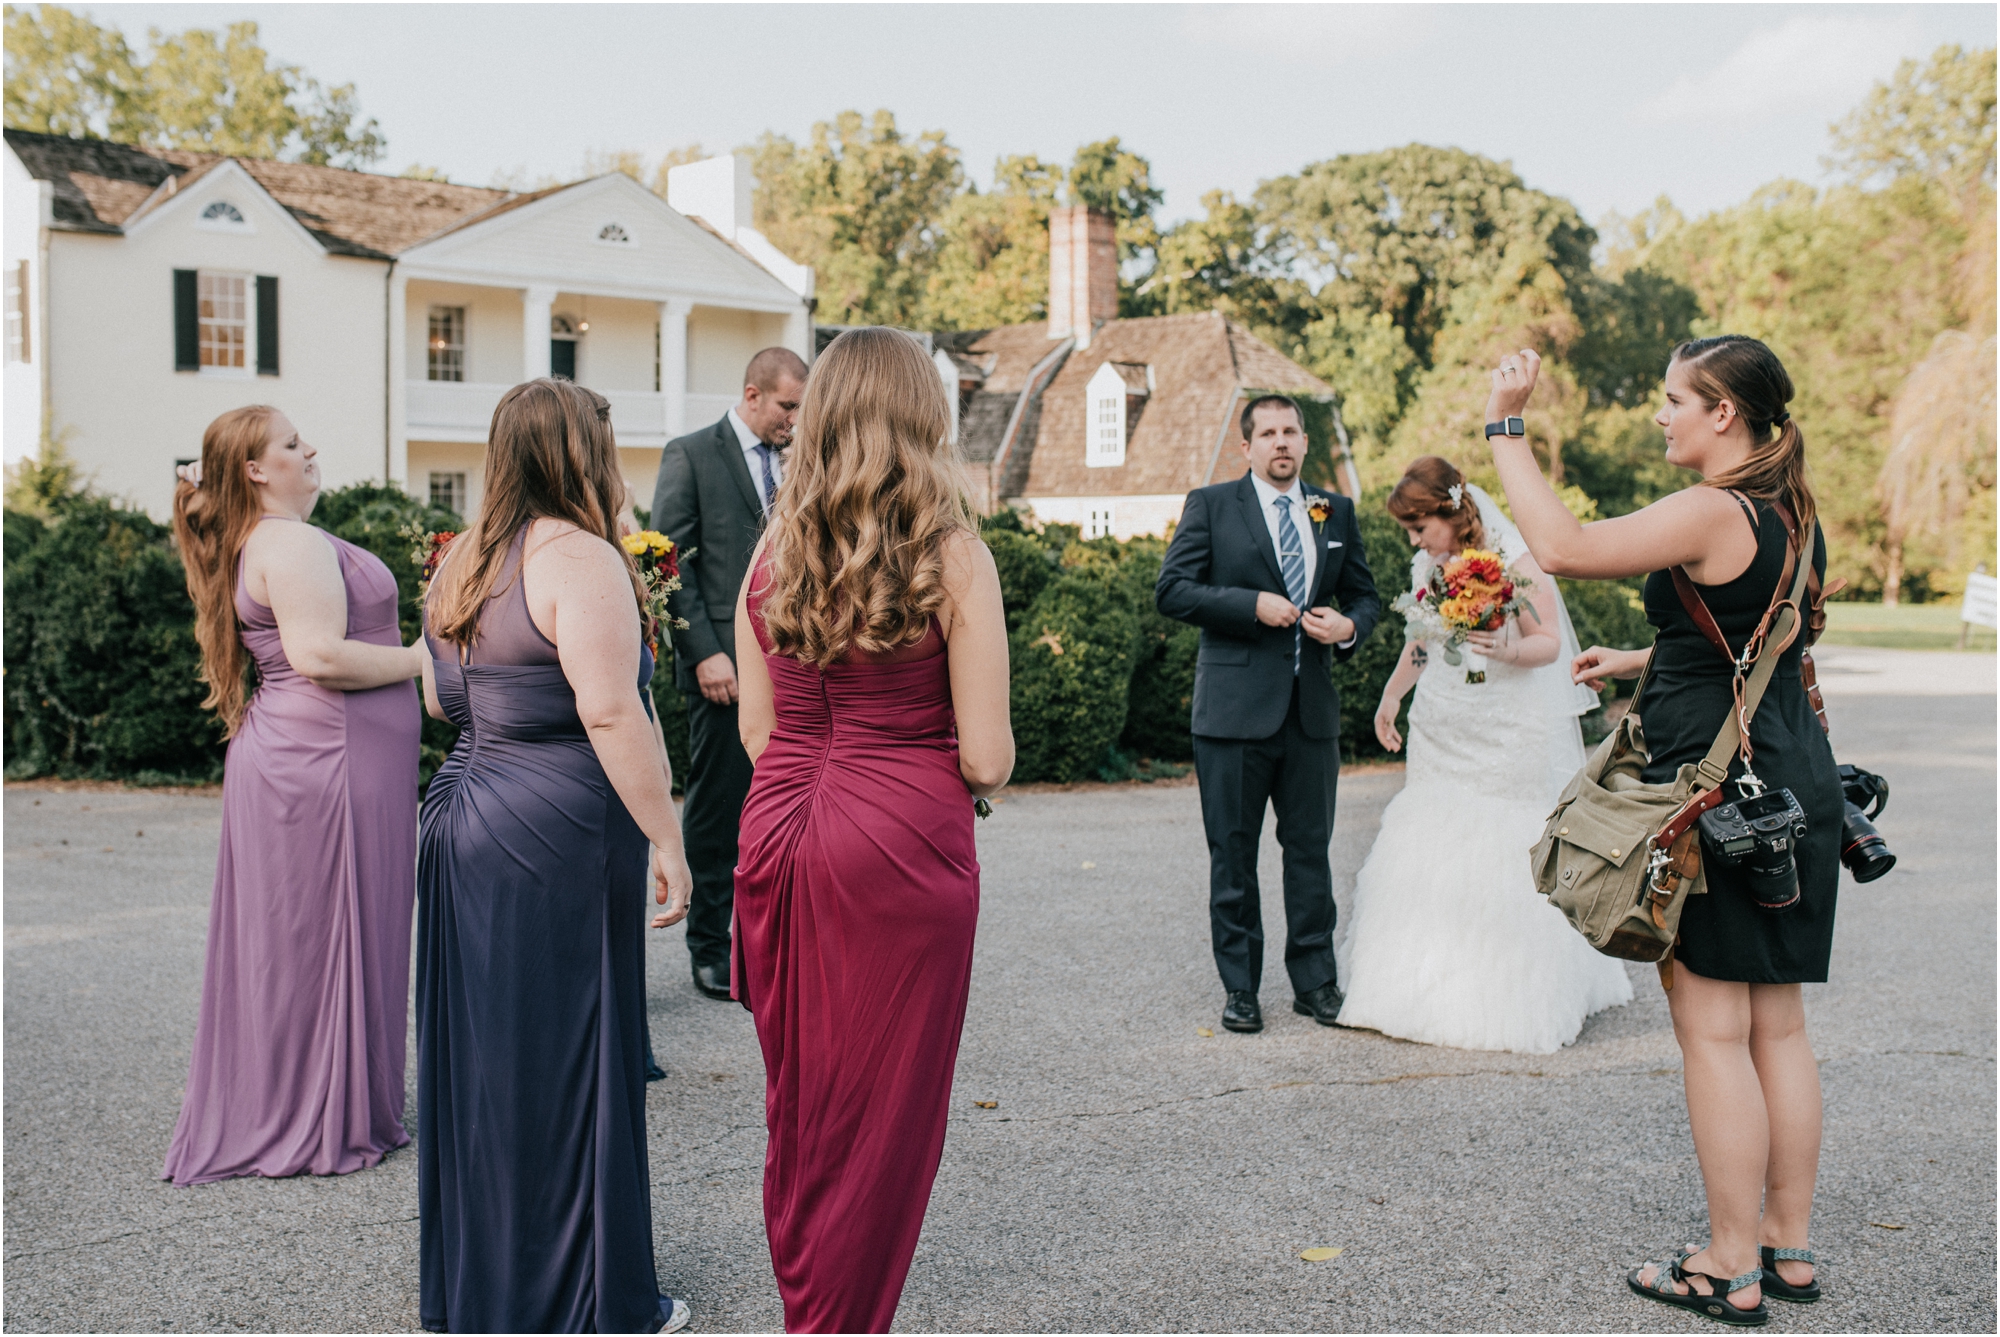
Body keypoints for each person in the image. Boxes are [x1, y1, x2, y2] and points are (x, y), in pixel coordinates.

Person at [1483, 339, 1838, 1325]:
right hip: (1788, 783)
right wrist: (1649, 653)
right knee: (1777, 1025)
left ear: (1722, 413)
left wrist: (1504, 425)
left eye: (1673, 397)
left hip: (1714, 798)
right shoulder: (1788, 515)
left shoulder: (1710, 506)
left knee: (1712, 1032)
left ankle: (1725, 1261)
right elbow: (1759, 631)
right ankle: (1785, 1243)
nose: (1660, 413)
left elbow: (1559, 547)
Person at [731, 328, 1011, 1332]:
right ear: (921, 413)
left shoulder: (771, 551)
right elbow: (984, 755)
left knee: (802, 1101)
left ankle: (809, 1298)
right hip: (898, 839)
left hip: (778, 833)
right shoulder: (950, 554)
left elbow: (759, 729)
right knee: (882, 1110)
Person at [417, 378, 695, 1334]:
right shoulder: (578, 555)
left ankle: (491, 1278)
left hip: (466, 810)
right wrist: (668, 833)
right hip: (557, 822)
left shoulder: (460, 562)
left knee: (495, 1056)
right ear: (582, 452)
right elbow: (611, 708)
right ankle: (578, 1295)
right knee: (574, 1051)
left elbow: (435, 701)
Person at [163, 407, 422, 1187]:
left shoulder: (269, 540)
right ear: (254, 469)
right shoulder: (291, 541)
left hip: (313, 755)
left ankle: (326, 1098)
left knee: (307, 936)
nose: (309, 450)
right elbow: (318, 654)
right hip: (326, 757)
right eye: (290, 443)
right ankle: (320, 1113)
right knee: (325, 932)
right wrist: (423, 658)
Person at [1334, 457, 1633, 1053]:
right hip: (1445, 720)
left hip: (1506, 726)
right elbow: (1421, 641)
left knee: (1504, 840)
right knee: (1431, 832)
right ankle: (1411, 989)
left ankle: (1511, 998)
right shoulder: (1430, 565)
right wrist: (1392, 696)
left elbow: (1548, 644)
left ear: (1451, 510)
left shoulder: (1517, 559)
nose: (1415, 542)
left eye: (1420, 527)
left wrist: (1506, 649)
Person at [1156, 395, 1382, 1035]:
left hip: (1310, 714)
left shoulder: (1334, 509)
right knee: (1232, 856)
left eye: (1290, 432)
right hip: (1230, 717)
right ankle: (1241, 989)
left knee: (1310, 852)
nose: (1280, 442)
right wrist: (1248, 604)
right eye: (1268, 433)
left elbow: (1364, 596)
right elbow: (1172, 590)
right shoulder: (1211, 505)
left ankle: (1316, 984)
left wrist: (1347, 626)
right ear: (1247, 447)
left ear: (1305, 442)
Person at [651, 347, 809, 1001]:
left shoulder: (803, 463)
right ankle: (712, 948)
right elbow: (669, 561)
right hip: (721, 668)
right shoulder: (689, 454)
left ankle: (763, 943)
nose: (794, 421)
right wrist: (704, 652)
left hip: (793, 663)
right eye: (786, 407)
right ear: (752, 394)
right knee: (718, 814)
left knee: (775, 812)